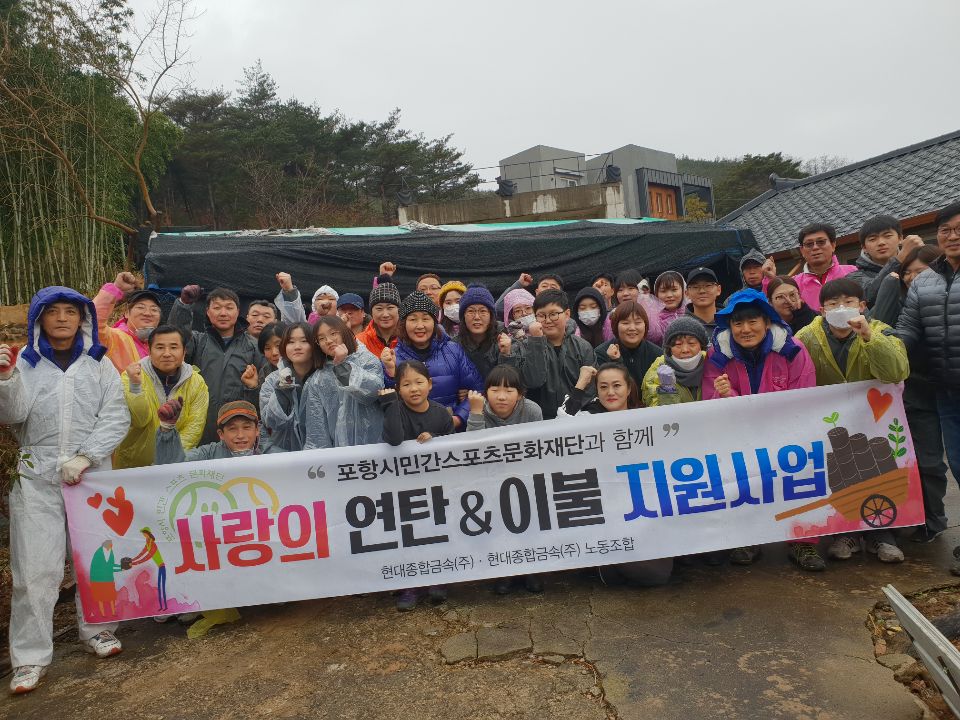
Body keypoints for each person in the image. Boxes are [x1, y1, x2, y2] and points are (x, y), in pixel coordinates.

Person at [0, 287, 130, 694]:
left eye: (69, 312)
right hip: (36, 476)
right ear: (39, 318)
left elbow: (116, 416)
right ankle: (30, 657)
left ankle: (99, 629)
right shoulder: (25, 361)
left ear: (82, 318)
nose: (61, 318)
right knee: (35, 569)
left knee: (97, 560)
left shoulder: (99, 364)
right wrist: (5, 380)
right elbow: (12, 415)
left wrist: (87, 456)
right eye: (52, 311)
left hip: (90, 477)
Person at [702, 289, 819, 570]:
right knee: (741, 481)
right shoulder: (717, 356)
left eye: (753, 321)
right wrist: (725, 394)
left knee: (798, 480)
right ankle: (748, 538)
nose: (745, 329)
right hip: (739, 435)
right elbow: (710, 403)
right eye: (738, 323)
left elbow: (805, 395)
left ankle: (803, 541)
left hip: (787, 431)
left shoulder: (793, 350)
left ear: (767, 322)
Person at [796, 278, 909, 563]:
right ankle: (845, 533)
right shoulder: (806, 338)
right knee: (839, 475)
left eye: (848, 302)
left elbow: (897, 371)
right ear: (822, 310)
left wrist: (869, 337)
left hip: (874, 421)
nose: (840, 309)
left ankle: (881, 535)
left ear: (862, 306)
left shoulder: (882, 331)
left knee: (879, 471)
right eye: (833, 304)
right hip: (829, 423)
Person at [154, 399, 281, 638]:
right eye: (232, 429)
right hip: (223, 538)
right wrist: (167, 430)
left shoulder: (273, 453)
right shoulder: (208, 453)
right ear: (221, 434)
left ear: (257, 430)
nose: (240, 435)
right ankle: (195, 597)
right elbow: (170, 470)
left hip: (262, 535)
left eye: (247, 427)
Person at [557, 363, 674, 586]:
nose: (610, 392)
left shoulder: (643, 418)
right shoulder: (587, 418)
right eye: (603, 387)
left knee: (661, 572)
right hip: (605, 511)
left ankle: (610, 566)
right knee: (653, 575)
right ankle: (604, 563)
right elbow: (559, 429)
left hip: (642, 509)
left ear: (629, 389)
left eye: (617, 385)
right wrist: (581, 384)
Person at [895, 201, 960, 568]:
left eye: (958, 229)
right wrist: (879, 343)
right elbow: (908, 329)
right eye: (946, 230)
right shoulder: (927, 281)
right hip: (946, 391)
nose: (952, 236)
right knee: (959, 466)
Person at [873, 245, 949, 544]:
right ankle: (903, 517)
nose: (913, 277)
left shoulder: (944, 304)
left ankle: (933, 519)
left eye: (921, 271)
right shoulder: (897, 302)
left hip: (930, 393)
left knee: (930, 462)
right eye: (908, 272)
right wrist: (890, 285)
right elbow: (879, 327)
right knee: (893, 462)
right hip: (895, 395)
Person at [378, 362, 455, 610]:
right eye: (406, 384)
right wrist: (390, 404)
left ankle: (438, 579)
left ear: (430, 384)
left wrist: (436, 439)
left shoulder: (441, 413)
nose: (413, 389)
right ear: (398, 389)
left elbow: (452, 447)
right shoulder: (396, 410)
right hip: (403, 487)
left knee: (436, 531)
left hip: (436, 486)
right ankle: (410, 585)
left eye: (419, 382)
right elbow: (394, 440)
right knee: (409, 534)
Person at [465, 366, 545, 595]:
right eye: (495, 390)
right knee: (498, 527)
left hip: (525, 479)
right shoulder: (478, 408)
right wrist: (476, 414)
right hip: (490, 480)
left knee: (531, 524)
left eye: (509, 391)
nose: (501, 396)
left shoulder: (532, 411)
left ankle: (532, 570)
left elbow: (539, 448)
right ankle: (506, 571)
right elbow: (473, 450)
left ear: (520, 394)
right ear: (486, 392)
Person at [168, 285, 262, 444]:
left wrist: (252, 388)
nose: (223, 313)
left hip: (237, 432)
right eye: (217, 308)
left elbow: (264, 391)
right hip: (198, 426)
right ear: (207, 312)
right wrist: (183, 305)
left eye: (229, 307)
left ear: (238, 312)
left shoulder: (254, 347)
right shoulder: (198, 342)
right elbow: (175, 338)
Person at [381, 292, 483, 430]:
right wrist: (390, 373)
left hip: (451, 431)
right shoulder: (393, 357)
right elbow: (386, 402)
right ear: (404, 324)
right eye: (413, 319)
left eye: (425, 319)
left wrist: (458, 418)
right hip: (411, 433)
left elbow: (478, 389)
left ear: (435, 323)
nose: (420, 325)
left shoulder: (453, 351)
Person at [114, 325, 209, 469]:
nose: (167, 353)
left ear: (184, 351)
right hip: (133, 466)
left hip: (174, 466)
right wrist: (135, 386)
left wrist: (170, 459)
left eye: (174, 347)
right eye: (160, 347)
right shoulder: (131, 376)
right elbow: (139, 420)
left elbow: (194, 428)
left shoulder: (197, 382)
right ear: (149, 350)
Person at [504, 289, 595, 419]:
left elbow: (590, 391)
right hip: (539, 420)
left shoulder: (583, 347)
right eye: (541, 315)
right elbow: (533, 381)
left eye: (553, 314)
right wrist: (536, 341)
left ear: (567, 314)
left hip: (576, 418)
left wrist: (570, 412)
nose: (547, 320)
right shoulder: (525, 346)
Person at [304, 316, 384, 449]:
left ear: (344, 332)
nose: (328, 341)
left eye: (333, 333)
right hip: (338, 454)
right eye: (321, 338)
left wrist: (343, 366)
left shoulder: (367, 359)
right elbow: (317, 429)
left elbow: (373, 392)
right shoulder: (318, 379)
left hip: (374, 449)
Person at [258, 322, 318, 452]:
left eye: (304, 341)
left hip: (324, 455)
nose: (297, 347)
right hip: (285, 455)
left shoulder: (324, 378)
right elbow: (271, 422)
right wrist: (282, 391)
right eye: (291, 342)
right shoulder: (271, 381)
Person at [847, 215, 926, 307]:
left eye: (887, 236)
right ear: (864, 247)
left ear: (900, 238)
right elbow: (869, 298)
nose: (881, 242)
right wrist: (899, 259)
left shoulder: (915, 267)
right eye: (872, 239)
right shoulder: (854, 278)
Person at [93, 271, 162, 372]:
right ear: (126, 313)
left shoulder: (162, 344)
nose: (148, 313)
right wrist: (116, 288)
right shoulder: (114, 338)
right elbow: (93, 322)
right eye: (141, 307)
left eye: (154, 309)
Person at [595, 300, 661, 393]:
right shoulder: (602, 353)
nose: (632, 328)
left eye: (638, 322)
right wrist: (615, 362)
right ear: (615, 326)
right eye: (625, 323)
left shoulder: (657, 355)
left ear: (645, 325)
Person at [642, 316, 709, 406]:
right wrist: (667, 390)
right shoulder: (657, 372)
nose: (685, 350)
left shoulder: (712, 363)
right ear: (669, 349)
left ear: (701, 345)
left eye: (691, 343)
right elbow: (658, 411)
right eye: (678, 344)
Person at [792, 223, 857, 311]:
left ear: (833, 245)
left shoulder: (853, 272)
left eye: (821, 242)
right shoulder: (794, 284)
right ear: (802, 251)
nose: (815, 247)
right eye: (809, 244)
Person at [455, 284, 506, 379]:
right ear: (463, 316)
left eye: (483, 311)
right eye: (471, 311)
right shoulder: (453, 346)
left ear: (491, 315)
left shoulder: (506, 340)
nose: (477, 317)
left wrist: (507, 354)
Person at [356, 282, 401, 357]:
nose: (385, 314)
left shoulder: (409, 339)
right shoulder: (359, 342)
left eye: (390, 308)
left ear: (399, 310)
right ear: (371, 312)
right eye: (379, 308)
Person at [494, 272, 564, 319]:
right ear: (537, 292)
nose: (548, 289)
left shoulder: (564, 316)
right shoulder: (527, 308)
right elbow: (498, 309)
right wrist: (519, 284)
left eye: (553, 287)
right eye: (544, 286)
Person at [684, 267, 722, 335]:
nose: (702, 291)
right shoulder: (680, 326)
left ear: (718, 290)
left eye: (708, 285)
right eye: (695, 287)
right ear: (687, 293)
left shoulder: (730, 321)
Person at [255, 321, 288, 388]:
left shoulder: (300, 367)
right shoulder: (265, 371)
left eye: (278, 346)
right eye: (267, 348)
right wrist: (253, 387)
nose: (274, 353)